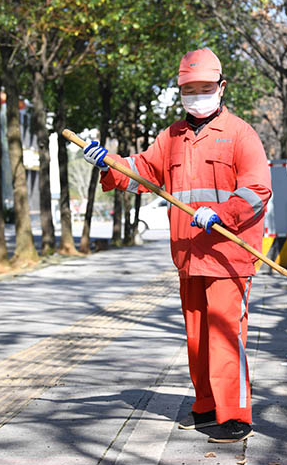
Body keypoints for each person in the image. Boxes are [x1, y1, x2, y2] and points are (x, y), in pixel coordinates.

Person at [82, 48, 272, 443]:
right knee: (197, 337)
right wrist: (108, 163)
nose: (197, 95)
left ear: (221, 88)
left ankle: (234, 415)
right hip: (188, 255)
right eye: (189, 88)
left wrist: (222, 213)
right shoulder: (171, 137)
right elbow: (143, 174)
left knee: (224, 335)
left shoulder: (240, 134)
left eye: (205, 87)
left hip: (228, 255)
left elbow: (257, 190)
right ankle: (206, 406)